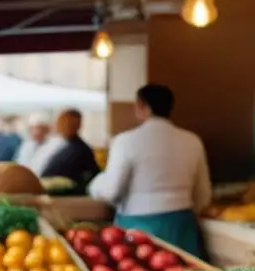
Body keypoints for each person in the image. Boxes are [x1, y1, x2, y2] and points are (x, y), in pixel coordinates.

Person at [89, 84, 212, 258]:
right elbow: (203, 194)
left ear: (141, 106)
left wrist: (94, 185)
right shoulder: (193, 141)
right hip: (182, 226)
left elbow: (110, 191)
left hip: (139, 228)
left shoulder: (125, 141)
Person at [41, 109, 99, 194]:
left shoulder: (79, 149)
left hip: (61, 195)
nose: (60, 127)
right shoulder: (67, 146)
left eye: (62, 124)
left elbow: (93, 175)